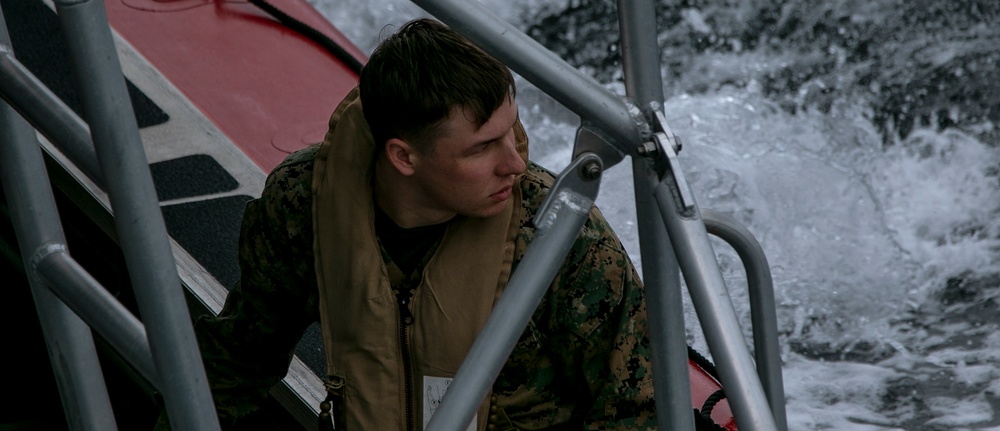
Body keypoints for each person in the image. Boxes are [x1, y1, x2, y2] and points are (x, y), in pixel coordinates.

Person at [185, 18, 659, 430]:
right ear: (403, 157)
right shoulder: (300, 204)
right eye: (482, 147)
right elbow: (238, 360)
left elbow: (636, 410)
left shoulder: (560, 237)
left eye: (511, 132)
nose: (515, 164)